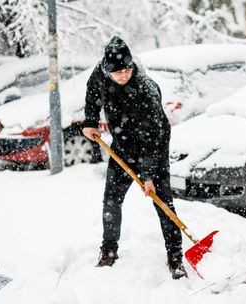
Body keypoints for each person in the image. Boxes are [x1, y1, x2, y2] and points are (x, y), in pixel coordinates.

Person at [82, 36, 187, 280]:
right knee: (111, 202)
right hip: (122, 147)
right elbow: (91, 93)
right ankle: (108, 250)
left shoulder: (146, 89)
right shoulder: (101, 74)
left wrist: (148, 175)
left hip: (154, 149)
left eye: (127, 69)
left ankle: (175, 257)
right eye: (117, 72)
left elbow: (152, 137)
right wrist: (90, 121)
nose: (122, 75)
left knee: (163, 204)